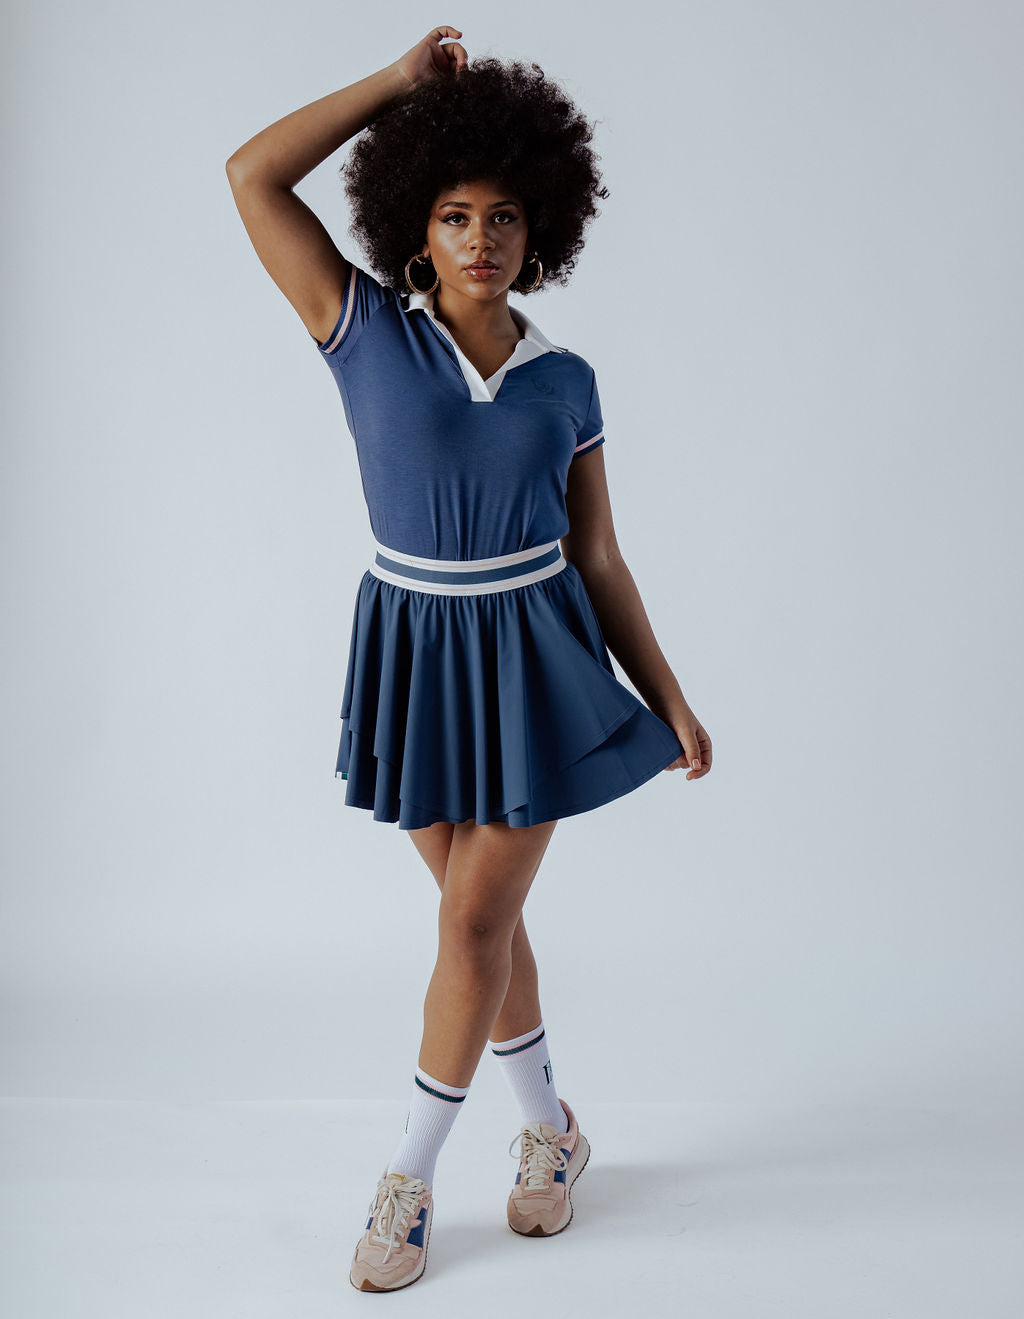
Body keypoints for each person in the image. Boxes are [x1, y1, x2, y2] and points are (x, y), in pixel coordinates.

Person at [226, 25, 712, 1293]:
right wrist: (396, 84)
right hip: (411, 649)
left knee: (475, 915)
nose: (482, 238)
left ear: (538, 227)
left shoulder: (568, 380)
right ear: (417, 229)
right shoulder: (363, 331)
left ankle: (409, 1175)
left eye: (504, 217)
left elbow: (600, 559)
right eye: (454, 215)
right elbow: (250, 177)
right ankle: (554, 1129)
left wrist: (665, 697)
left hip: (534, 660)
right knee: (473, 925)